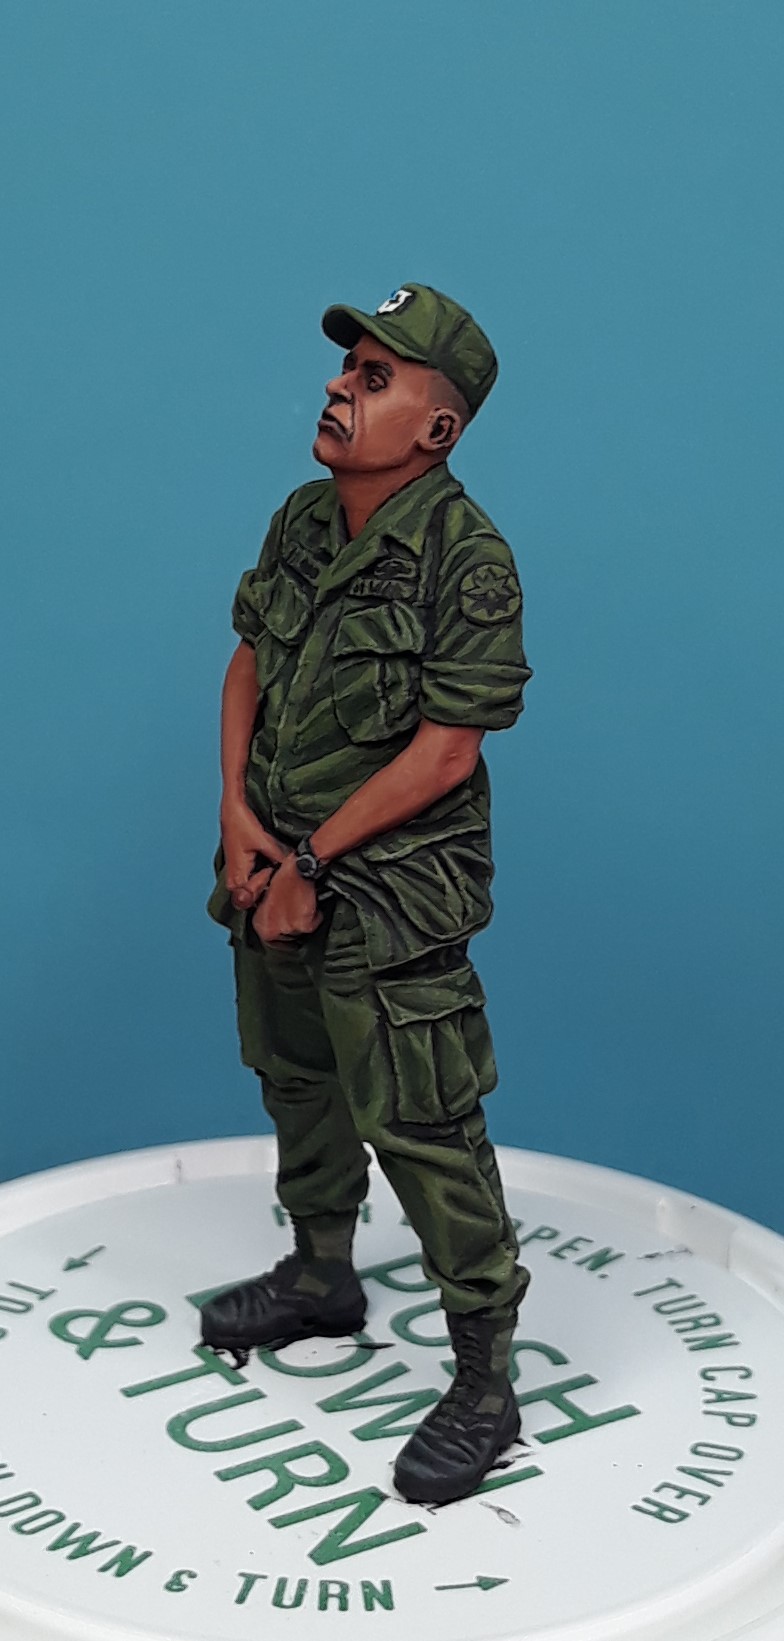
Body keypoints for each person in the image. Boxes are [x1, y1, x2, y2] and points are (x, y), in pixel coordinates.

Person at [200, 283, 534, 1505]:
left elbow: (446, 751)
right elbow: (249, 659)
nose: (341, 387)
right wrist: (239, 819)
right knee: (295, 1075)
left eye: (377, 378)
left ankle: (484, 1379)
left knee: (422, 1122)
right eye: (349, 369)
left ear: (437, 430)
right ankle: (320, 1272)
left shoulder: (467, 561)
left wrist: (311, 863)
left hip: (391, 891)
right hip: (271, 858)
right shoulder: (303, 518)